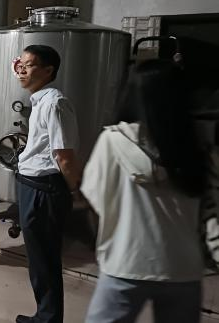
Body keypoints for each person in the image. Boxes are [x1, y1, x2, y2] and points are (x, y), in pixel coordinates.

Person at [81, 59, 207, 323]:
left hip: (126, 262)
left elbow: (95, 198)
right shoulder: (196, 145)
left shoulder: (113, 141)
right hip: (183, 267)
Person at [14, 44, 81, 323]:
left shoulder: (55, 103)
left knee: (46, 261)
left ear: (48, 70)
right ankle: (44, 315)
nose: (21, 70)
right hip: (33, 186)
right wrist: (21, 67)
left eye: (28, 65)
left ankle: (49, 318)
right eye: (20, 65)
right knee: (39, 261)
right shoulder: (40, 99)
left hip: (45, 190)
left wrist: (75, 191)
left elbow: (64, 156)